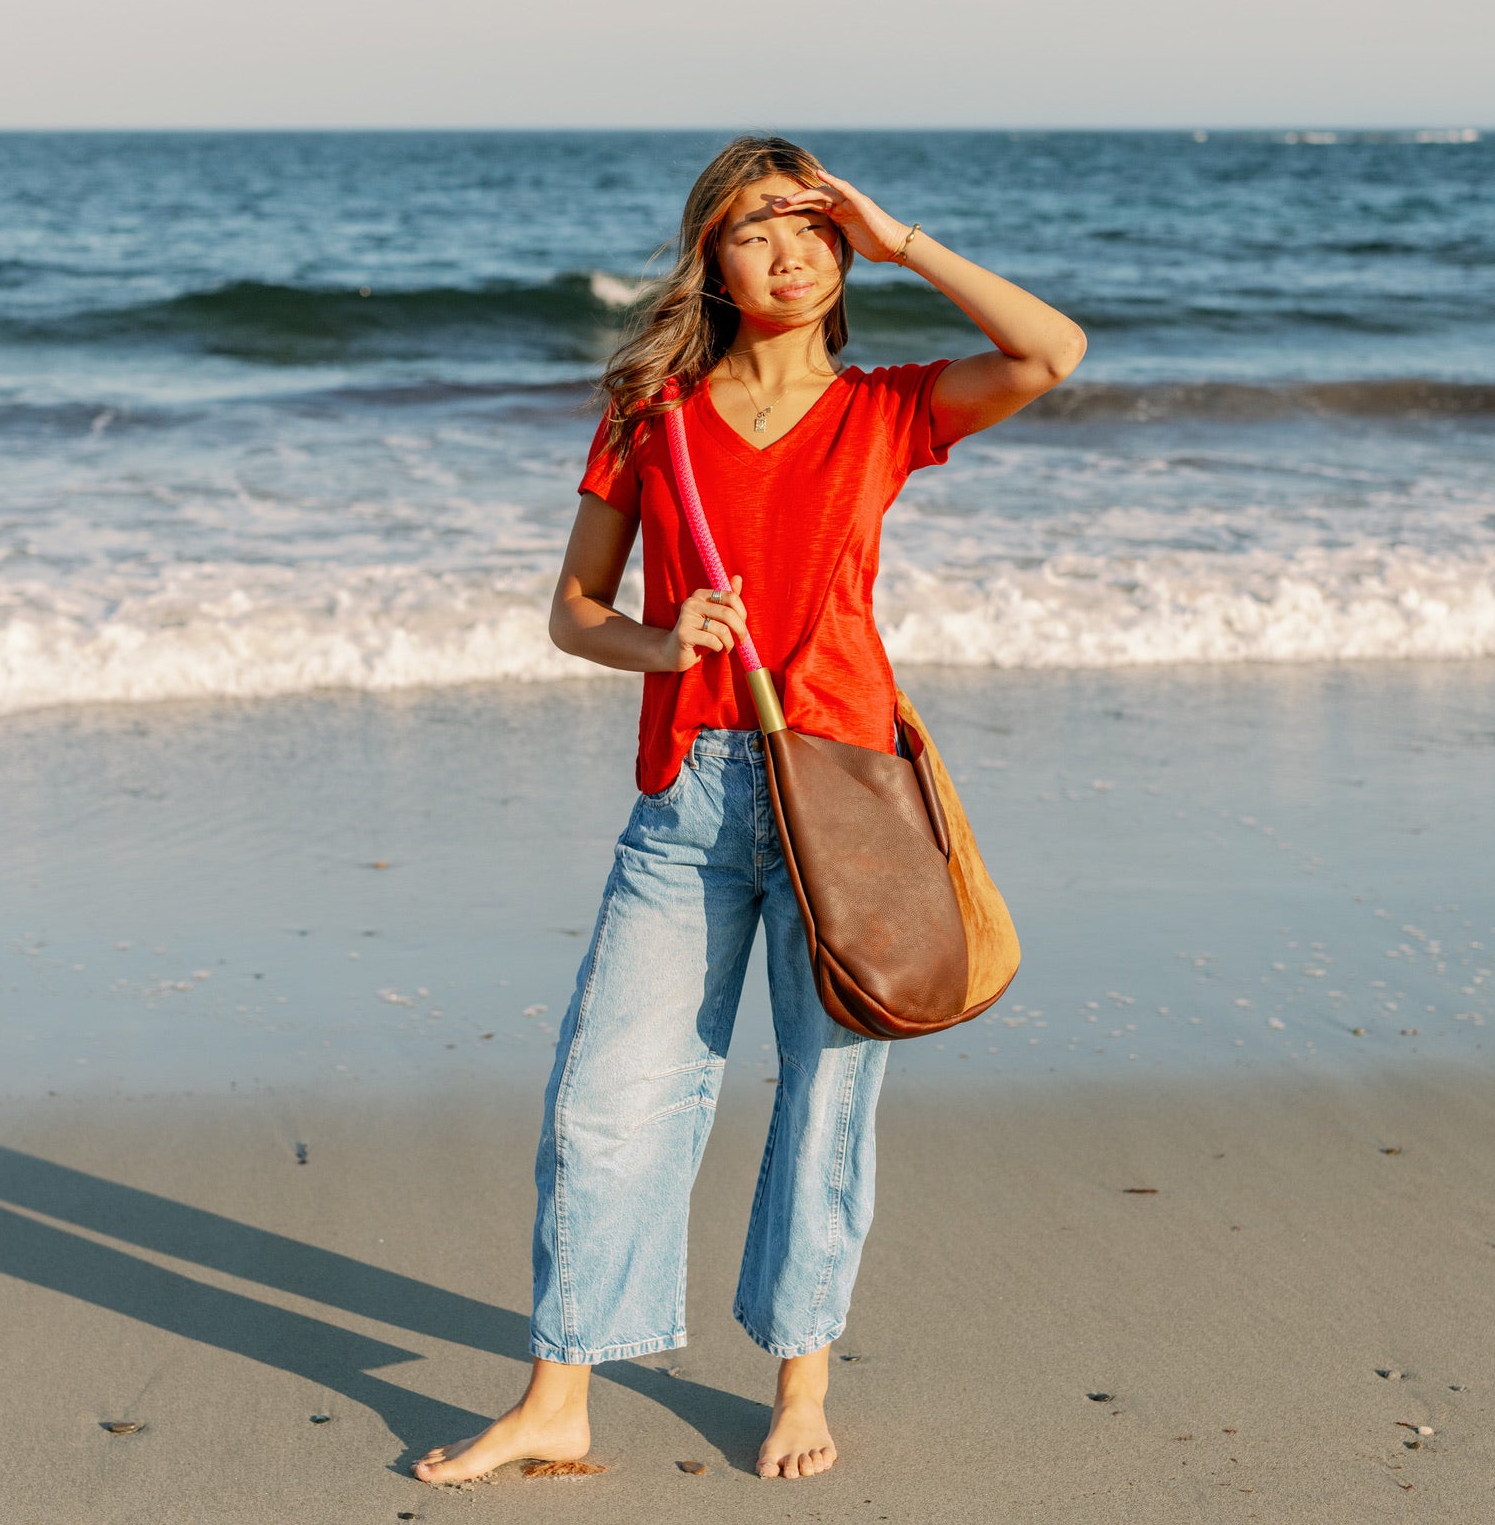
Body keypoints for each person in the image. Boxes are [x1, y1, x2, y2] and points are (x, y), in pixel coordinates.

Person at [415, 134, 1084, 1485]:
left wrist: (906, 239)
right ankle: (559, 1398)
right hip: (686, 795)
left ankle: (801, 1380)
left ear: (842, 253)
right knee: (606, 1097)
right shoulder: (649, 409)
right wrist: (664, 646)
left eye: (811, 225)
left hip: (839, 791)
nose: (787, 247)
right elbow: (574, 615)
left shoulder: (885, 409)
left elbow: (1050, 350)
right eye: (752, 227)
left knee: (826, 1096)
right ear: (708, 259)